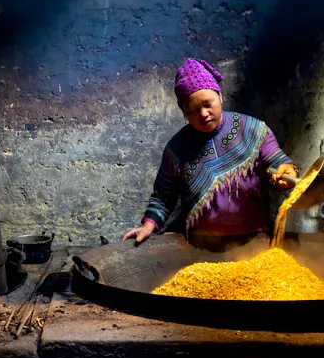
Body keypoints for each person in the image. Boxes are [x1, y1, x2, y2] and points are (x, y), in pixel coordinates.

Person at [122, 58, 300, 248]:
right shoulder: (177, 148)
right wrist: (147, 226)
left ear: (220, 97)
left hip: (253, 239)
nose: (203, 114)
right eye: (193, 110)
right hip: (198, 244)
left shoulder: (253, 130)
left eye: (208, 104)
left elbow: (277, 161)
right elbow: (163, 197)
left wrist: (286, 171)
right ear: (184, 113)